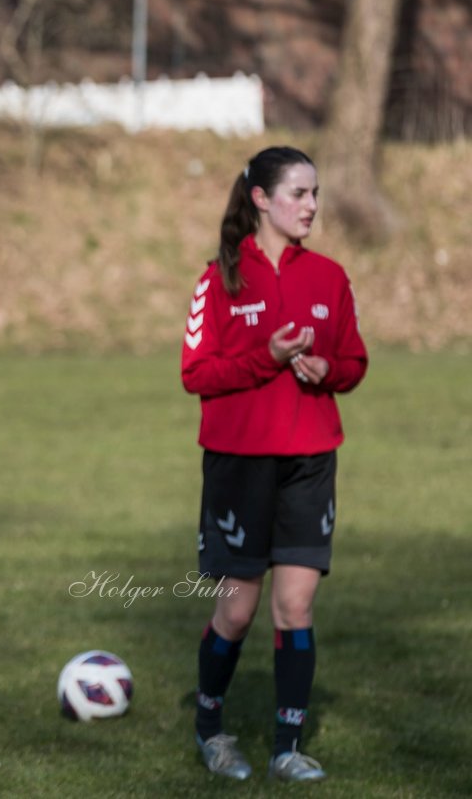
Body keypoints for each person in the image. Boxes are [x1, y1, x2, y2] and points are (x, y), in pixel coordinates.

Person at [181, 146, 368, 783]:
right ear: (261, 198)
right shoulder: (220, 279)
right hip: (239, 464)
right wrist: (267, 355)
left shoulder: (331, 277)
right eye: (298, 193)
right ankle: (210, 728)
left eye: (315, 193)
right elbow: (195, 374)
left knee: (297, 608)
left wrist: (327, 370)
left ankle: (288, 746)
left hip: (311, 461)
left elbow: (355, 362)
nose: (311, 205)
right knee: (236, 610)